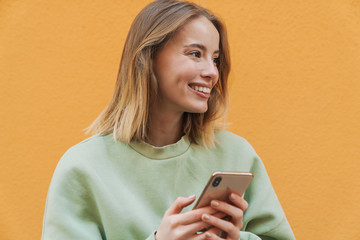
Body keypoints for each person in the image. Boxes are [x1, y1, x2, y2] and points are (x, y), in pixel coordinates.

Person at [42, 0, 295, 239]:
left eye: (215, 59)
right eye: (195, 54)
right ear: (148, 59)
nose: (211, 72)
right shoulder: (83, 168)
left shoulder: (237, 156)